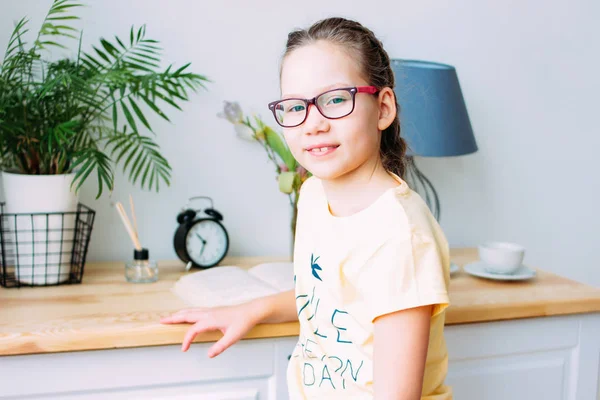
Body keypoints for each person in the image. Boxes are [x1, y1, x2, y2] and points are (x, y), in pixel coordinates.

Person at [160, 17, 452, 400]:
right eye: (296, 106)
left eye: (334, 100)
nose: (312, 124)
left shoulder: (400, 237)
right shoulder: (314, 195)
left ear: (382, 109)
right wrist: (251, 310)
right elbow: (328, 297)